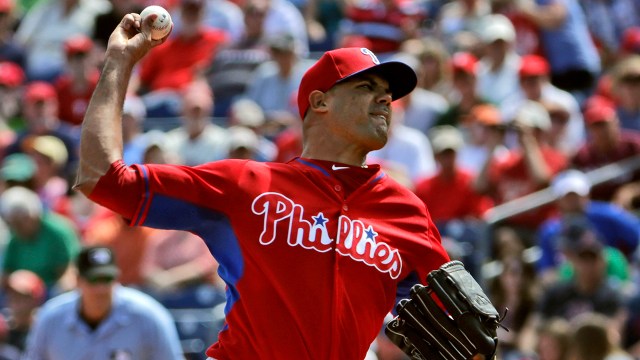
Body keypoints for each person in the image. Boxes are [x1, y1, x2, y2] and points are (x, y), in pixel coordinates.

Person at [73, 13, 452, 359]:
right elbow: (102, 179)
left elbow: (459, 331)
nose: (385, 98)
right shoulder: (247, 185)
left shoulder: (406, 212)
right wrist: (118, 63)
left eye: (388, 92)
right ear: (320, 102)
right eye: (366, 86)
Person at [22, 245, 184, 360]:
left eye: (106, 279)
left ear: (117, 279)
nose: (101, 289)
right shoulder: (51, 317)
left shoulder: (149, 315)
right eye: (93, 280)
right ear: (78, 281)